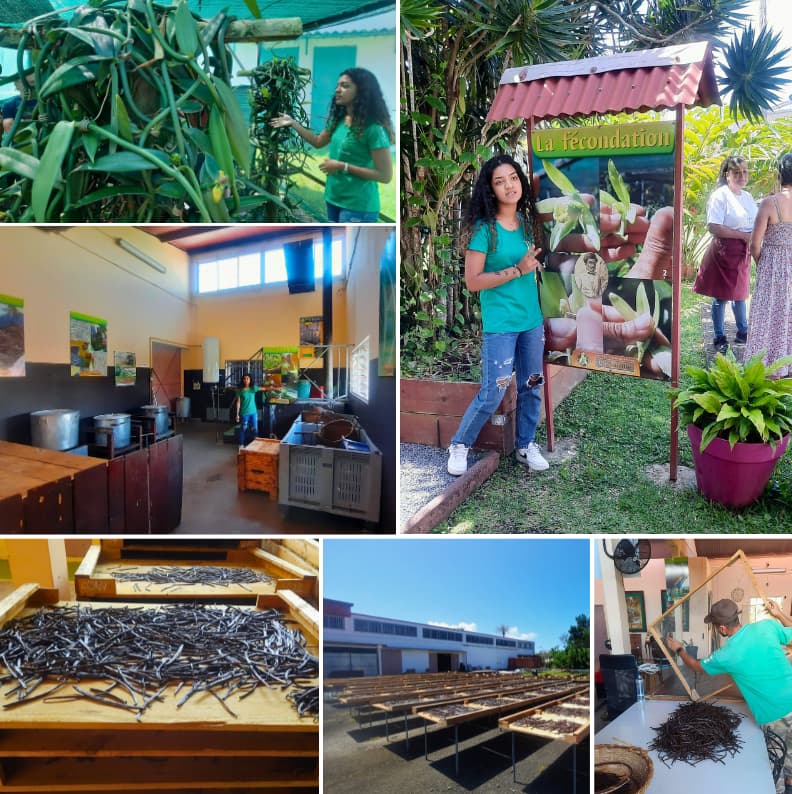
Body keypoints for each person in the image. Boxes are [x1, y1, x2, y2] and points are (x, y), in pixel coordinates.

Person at [447, 153, 548, 476]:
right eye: (500, 181)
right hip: (501, 324)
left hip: (531, 321)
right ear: (490, 189)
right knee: (495, 390)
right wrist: (518, 270)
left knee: (532, 384)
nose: (509, 186)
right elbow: (473, 281)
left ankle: (525, 445)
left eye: (513, 178)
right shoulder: (484, 231)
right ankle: (460, 444)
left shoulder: (527, 225)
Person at [666, 598, 792, 794]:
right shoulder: (767, 626)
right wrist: (779, 614)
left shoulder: (726, 654)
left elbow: (697, 667)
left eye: (716, 626)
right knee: (790, 753)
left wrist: (679, 649)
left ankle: (780, 790)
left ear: (722, 628)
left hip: (774, 714)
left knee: (774, 765)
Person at [270, 67, 394, 222]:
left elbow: (385, 175)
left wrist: (343, 166)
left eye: (345, 86)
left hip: (358, 207)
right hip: (333, 199)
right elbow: (317, 142)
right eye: (337, 85)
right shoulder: (339, 121)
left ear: (362, 91)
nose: (338, 90)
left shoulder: (374, 129)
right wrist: (292, 123)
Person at [693, 155, 758, 354]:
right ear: (727, 174)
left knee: (740, 294)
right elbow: (713, 226)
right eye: (737, 172)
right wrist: (742, 235)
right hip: (724, 252)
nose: (742, 176)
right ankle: (719, 335)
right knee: (721, 298)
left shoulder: (747, 197)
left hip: (742, 252)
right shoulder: (720, 195)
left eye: (745, 172)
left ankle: (743, 331)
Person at [744, 153, 792, 377]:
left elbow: (754, 245)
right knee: (787, 314)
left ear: (779, 174)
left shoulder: (769, 203)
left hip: (772, 268)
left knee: (768, 313)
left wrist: (763, 264)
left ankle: (764, 366)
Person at [234, 373, 262, 448]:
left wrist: (275, 388)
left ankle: (255, 445)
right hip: (244, 413)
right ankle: (241, 444)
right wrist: (237, 415)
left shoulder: (253, 388)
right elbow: (238, 402)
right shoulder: (240, 390)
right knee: (243, 429)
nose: (246, 380)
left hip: (253, 413)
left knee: (255, 430)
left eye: (247, 378)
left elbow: (264, 388)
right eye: (244, 378)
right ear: (243, 380)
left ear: (250, 380)